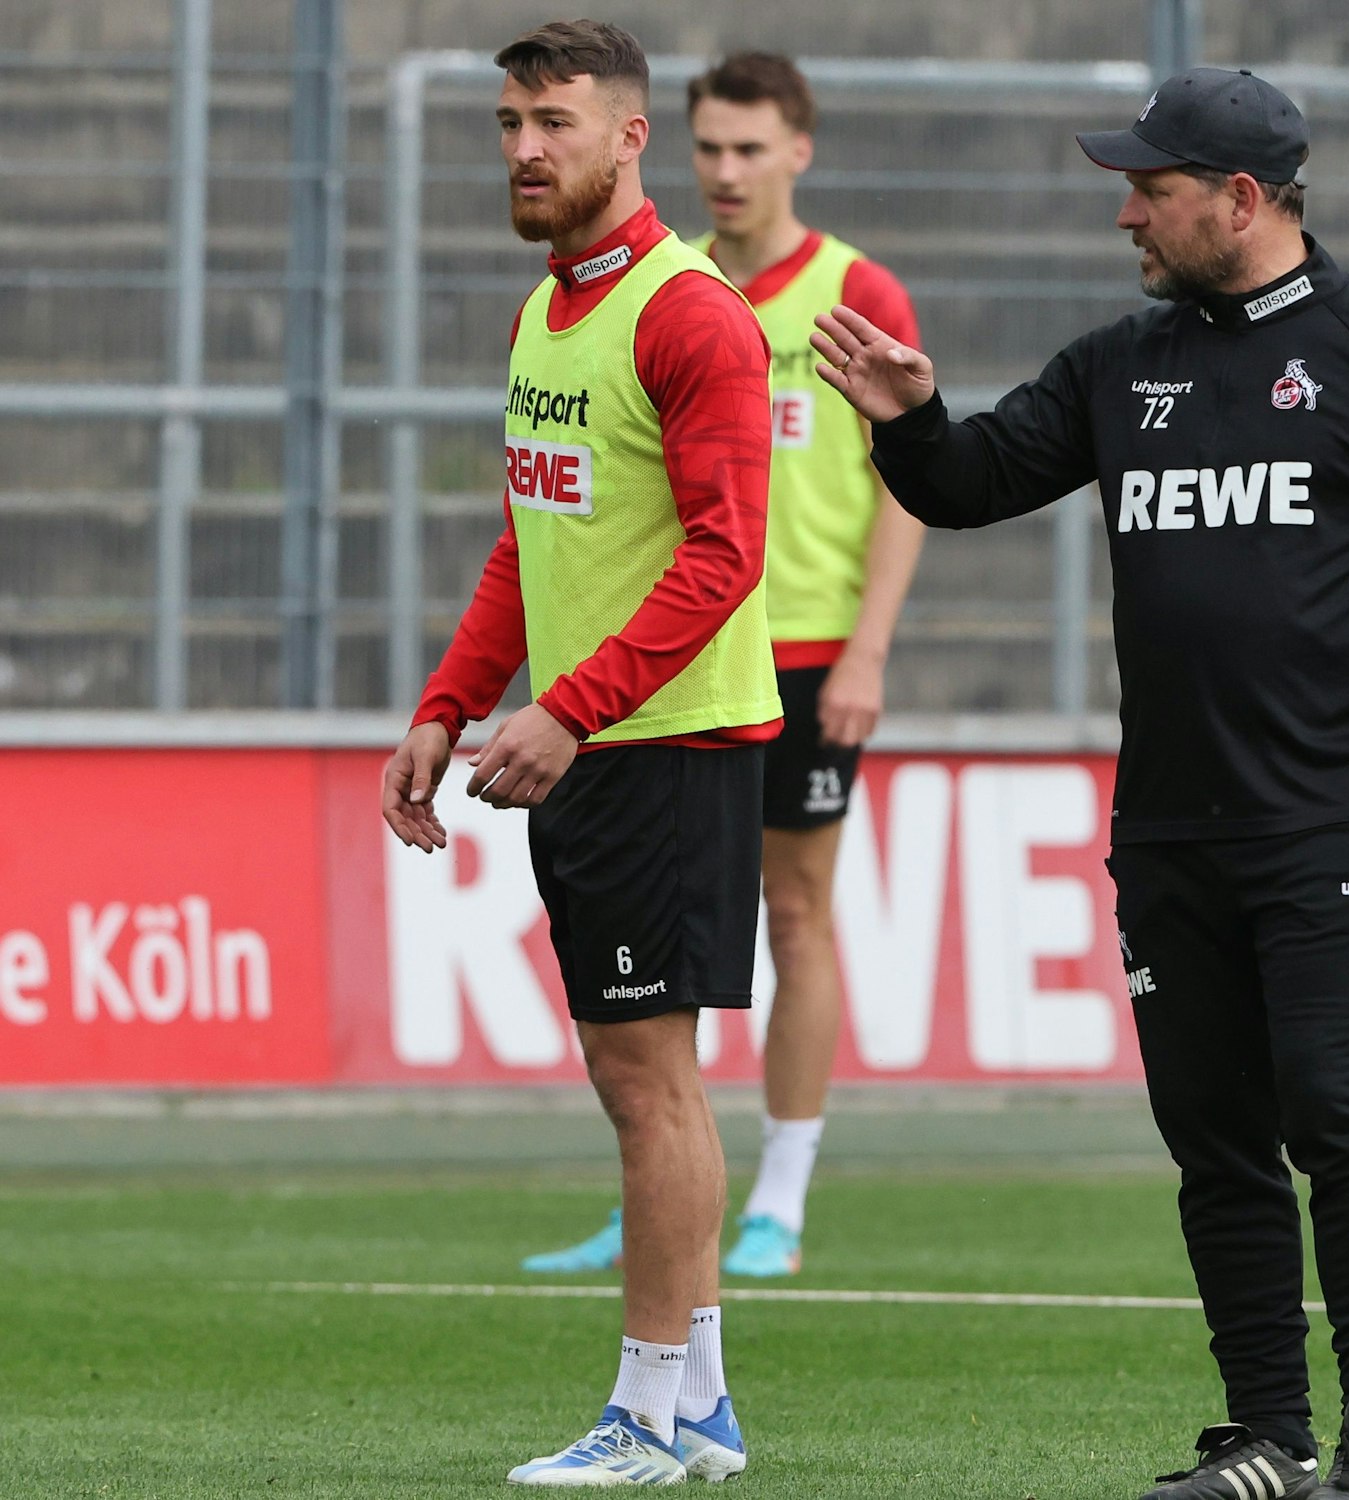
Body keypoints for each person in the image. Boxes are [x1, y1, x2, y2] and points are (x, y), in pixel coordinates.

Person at [814, 66, 1349, 1500]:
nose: (1129, 215)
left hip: (1333, 814)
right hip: (1168, 827)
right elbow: (966, 485)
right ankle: (1268, 1436)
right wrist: (910, 417)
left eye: (1150, 191)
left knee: (1339, 1117)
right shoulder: (1117, 366)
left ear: (1243, 200)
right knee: (1214, 1145)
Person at [380, 20, 777, 1485]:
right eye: (506, 122)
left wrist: (572, 707)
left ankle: (647, 1415)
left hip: (665, 745)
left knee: (648, 1084)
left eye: (552, 121)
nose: (524, 149)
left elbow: (730, 557)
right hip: (599, 742)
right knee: (640, 1077)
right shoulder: (551, 312)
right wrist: (446, 702)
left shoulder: (689, 315)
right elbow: (529, 537)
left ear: (630, 139)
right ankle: (705, 1408)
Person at [521, 52, 926, 1283]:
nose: (728, 171)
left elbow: (905, 478)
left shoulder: (855, 290)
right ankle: (665, 1202)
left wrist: (866, 646)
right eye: (710, 149)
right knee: (656, 987)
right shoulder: (669, 285)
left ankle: (781, 1199)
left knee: (795, 913)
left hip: (798, 653)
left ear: (798, 151)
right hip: (682, 655)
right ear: (672, 147)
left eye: (752, 149)